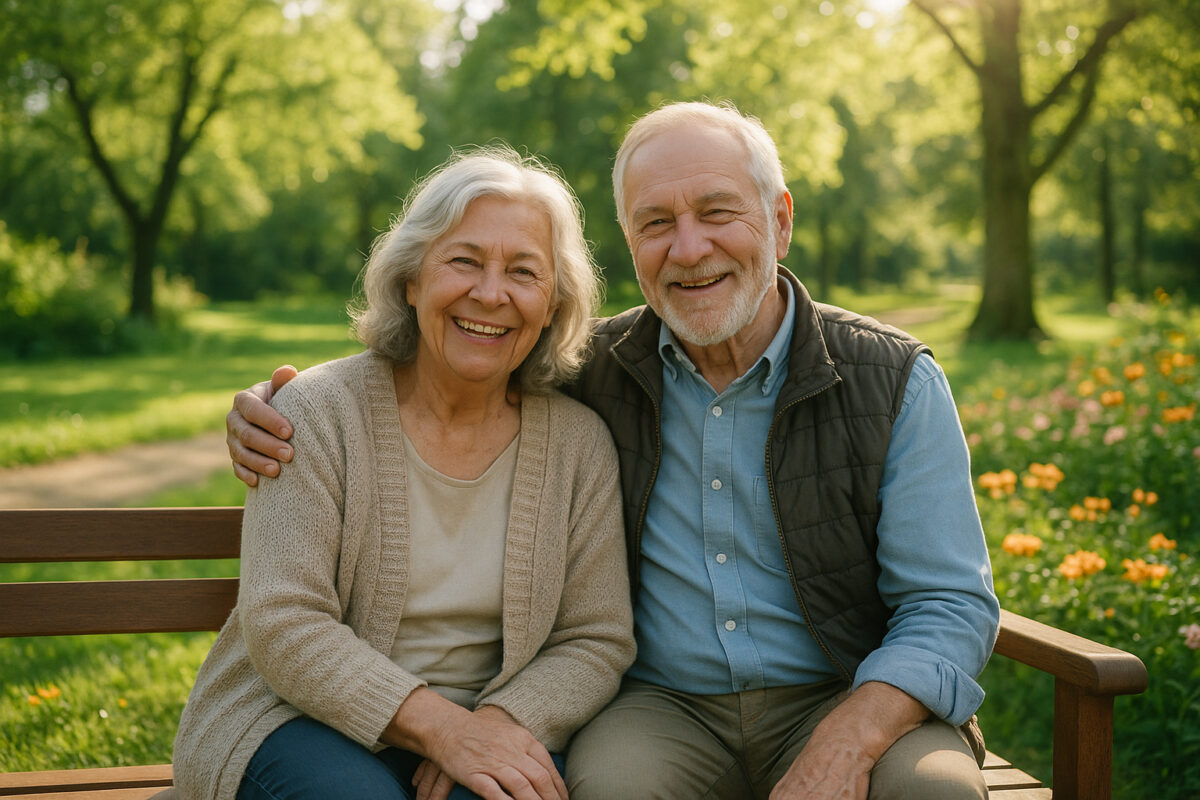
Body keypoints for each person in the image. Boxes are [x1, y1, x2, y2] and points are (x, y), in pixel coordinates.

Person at [226, 101, 1000, 800]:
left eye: (717, 212)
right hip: (664, 710)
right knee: (604, 789)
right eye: (656, 222)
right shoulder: (594, 371)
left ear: (780, 219)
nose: (688, 248)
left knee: (937, 797)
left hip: (848, 691)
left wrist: (851, 737)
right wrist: (273, 406)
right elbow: (431, 367)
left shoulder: (891, 379)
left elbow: (951, 603)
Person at [174, 147, 635, 800]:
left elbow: (595, 638)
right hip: (289, 718)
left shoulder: (579, 445)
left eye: (523, 272)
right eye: (464, 261)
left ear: (552, 304)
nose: (491, 294)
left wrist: (496, 724)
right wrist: (443, 729)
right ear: (412, 279)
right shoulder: (314, 413)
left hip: (490, 726)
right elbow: (285, 621)